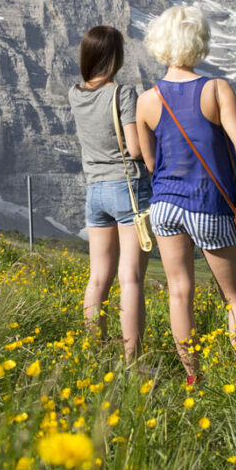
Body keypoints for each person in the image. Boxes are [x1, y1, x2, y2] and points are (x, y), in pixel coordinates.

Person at [135, 6, 236, 383]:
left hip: (165, 207)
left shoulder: (147, 99)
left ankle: (193, 377)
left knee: (179, 293)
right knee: (235, 297)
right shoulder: (216, 89)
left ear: (160, 44)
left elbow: (151, 162)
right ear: (199, 41)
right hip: (210, 206)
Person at [68, 25, 153, 364]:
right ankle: (132, 360)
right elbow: (134, 148)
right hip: (128, 189)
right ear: (114, 56)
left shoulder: (75, 93)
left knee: (97, 278)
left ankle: (93, 352)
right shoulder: (122, 94)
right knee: (130, 278)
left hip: (95, 191)